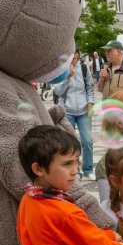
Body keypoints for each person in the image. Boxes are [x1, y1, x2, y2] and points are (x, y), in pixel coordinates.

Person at [52, 50, 97, 180]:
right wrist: (67, 78)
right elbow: (58, 91)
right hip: (67, 111)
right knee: (68, 143)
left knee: (87, 141)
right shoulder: (61, 69)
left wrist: (90, 102)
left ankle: (88, 169)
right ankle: (71, 170)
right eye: (72, 58)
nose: (74, 61)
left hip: (83, 111)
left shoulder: (83, 68)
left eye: (76, 58)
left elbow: (89, 87)